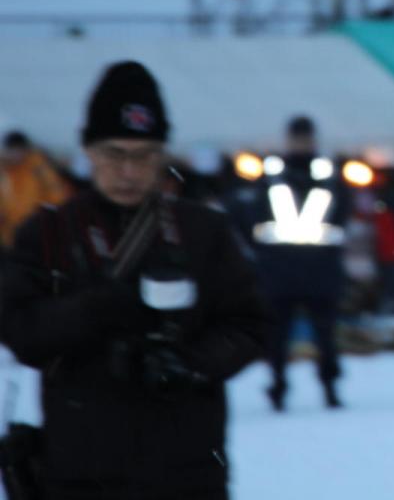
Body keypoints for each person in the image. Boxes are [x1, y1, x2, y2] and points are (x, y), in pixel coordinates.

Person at [0, 61, 267, 500]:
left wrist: (192, 365)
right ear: (88, 151)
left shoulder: (203, 231)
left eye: (143, 155)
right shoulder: (47, 234)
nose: (128, 171)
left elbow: (251, 325)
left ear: (163, 155)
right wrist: (94, 309)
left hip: (186, 471)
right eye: (114, 154)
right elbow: (20, 333)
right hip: (79, 472)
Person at [238, 115, 350, 411]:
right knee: (279, 336)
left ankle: (327, 385)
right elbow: (252, 218)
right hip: (285, 270)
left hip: (310, 270)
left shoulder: (314, 173)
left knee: (323, 336)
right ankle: (278, 386)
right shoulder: (278, 173)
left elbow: (342, 215)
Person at [0, 130, 71, 248]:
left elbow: (57, 197)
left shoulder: (38, 168)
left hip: (35, 235)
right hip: (8, 237)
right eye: (12, 150)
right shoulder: (4, 171)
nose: (16, 154)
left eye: (19, 149)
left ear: (26, 149)